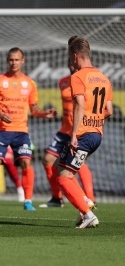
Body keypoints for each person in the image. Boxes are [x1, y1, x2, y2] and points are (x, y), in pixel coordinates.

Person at [0, 47, 57, 211]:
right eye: (11, 59)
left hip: (21, 131)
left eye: (17, 59)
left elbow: (34, 109)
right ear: (7, 61)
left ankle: (27, 201)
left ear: (23, 61)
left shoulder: (30, 83)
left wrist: (45, 114)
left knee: (26, 162)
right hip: (0, 131)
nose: (14, 62)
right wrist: (0, 115)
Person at [56, 37, 112, 228]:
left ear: (74, 56)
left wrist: (73, 135)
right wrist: (94, 120)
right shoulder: (104, 77)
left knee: (64, 177)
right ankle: (85, 202)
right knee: (62, 167)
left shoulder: (78, 76)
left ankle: (88, 214)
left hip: (83, 135)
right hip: (97, 134)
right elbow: (109, 110)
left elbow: (79, 105)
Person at [40, 38, 96, 208]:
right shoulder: (63, 81)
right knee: (48, 160)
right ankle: (57, 198)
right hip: (64, 129)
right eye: (69, 64)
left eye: (73, 63)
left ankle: (89, 198)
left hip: (79, 130)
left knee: (78, 164)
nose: (71, 66)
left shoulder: (86, 79)